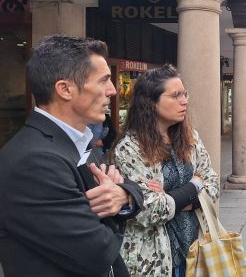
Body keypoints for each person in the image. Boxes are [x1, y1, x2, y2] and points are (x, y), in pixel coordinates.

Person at [0, 35, 143, 277]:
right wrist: (116, 208)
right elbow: (98, 252)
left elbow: (128, 187)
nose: (113, 90)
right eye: (104, 81)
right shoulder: (34, 162)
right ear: (65, 89)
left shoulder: (78, 140)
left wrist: (124, 195)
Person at [113, 64, 220, 277]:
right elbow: (150, 208)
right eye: (176, 95)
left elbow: (213, 184)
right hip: (154, 261)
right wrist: (195, 185)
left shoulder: (190, 137)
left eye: (185, 94)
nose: (185, 100)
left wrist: (172, 198)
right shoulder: (130, 147)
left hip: (194, 252)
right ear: (151, 103)